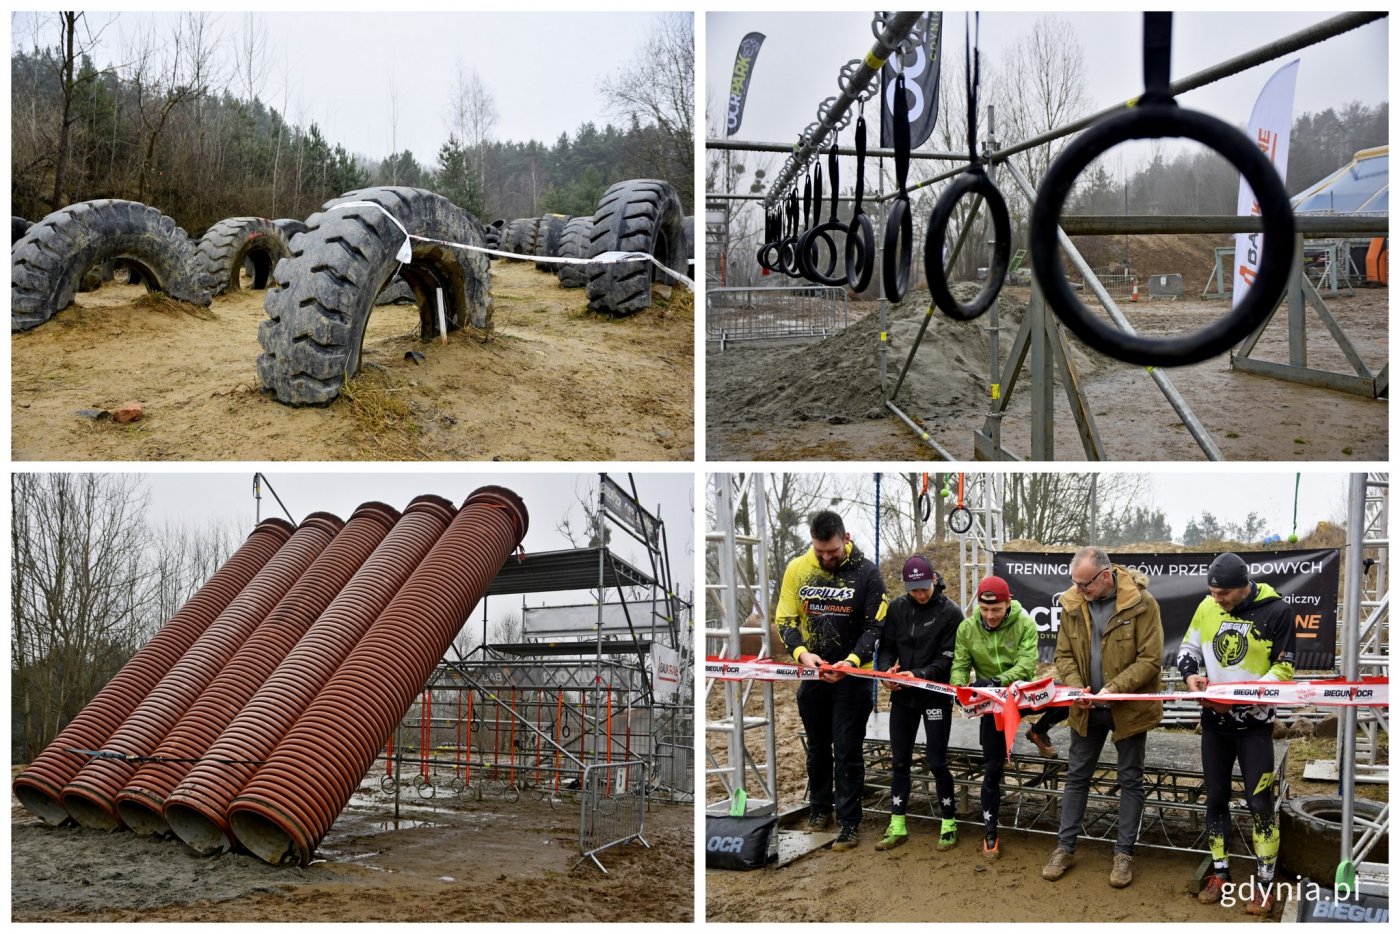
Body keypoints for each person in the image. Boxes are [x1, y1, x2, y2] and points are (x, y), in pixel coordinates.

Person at [1177, 552, 1295, 915]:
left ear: (1243, 587)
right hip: (1214, 725)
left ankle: (1264, 884)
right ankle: (1220, 873)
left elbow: (1285, 669)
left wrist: (1239, 700)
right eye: (1212, 593)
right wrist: (1190, 675)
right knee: (1215, 798)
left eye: (1223, 594)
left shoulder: (1277, 611)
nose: (1217, 600)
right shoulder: (1206, 607)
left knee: (1259, 804)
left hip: (1254, 727)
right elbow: (1187, 648)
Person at [1041, 546, 1163, 890]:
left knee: (1130, 780)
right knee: (1077, 777)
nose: (1079, 591)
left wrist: (1113, 688)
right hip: (1086, 708)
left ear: (1105, 576)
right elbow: (1063, 655)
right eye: (1075, 584)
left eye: (1085, 585)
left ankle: (1124, 854)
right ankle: (1064, 847)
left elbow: (1150, 659)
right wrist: (1079, 688)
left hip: (1127, 707)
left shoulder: (1143, 604)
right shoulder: (1073, 604)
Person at [776, 510, 887, 852]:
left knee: (847, 750)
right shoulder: (798, 568)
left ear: (846, 538)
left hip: (853, 676)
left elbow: (875, 627)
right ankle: (819, 809)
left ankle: (850, 822)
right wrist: (800, 654)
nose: (826, 558)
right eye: (819, 551)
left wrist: (851, 661)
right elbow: (784, 619)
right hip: (814, 672)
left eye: (833, 552)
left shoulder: (868, 573)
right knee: (817, 747)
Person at [873, 555, 964, 852]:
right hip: (903, 696)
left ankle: (948, 822)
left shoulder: (951, 613)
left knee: (937, 761)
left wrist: (920, 674)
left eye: (924, 588)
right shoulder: (898, 608)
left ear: (934, 581)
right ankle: (897, 823)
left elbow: (948, 658)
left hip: (935, 695)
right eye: (914, 590)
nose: (920, 594)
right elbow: (886, 647)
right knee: (899, 760)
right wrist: (887, 671)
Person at [950, 574, 1038, 861]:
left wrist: (999, 680)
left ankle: (1041, 731)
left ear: (1008, 603)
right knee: (992, 767)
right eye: (984, 610)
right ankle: (990, 831)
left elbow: (1026, 664)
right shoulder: (967, 628)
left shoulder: (1025, 623)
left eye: (996, 610)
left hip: (1020, 691)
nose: (989, 616)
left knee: (1066, 699)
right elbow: (960, 664)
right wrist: (959, 689)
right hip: (992, 702)